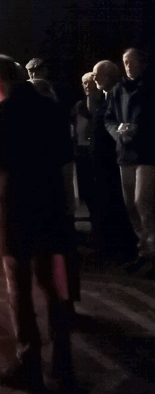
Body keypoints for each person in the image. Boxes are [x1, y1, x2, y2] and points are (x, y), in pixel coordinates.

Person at [0, 54, 75, 391]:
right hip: (50, 205)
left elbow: (1, 162)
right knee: (53, 285)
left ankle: (29, 362)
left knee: (19, 287)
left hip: (18, 208)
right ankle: (63, 361)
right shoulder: (48, 106)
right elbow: (64, 151)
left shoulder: (1, 112)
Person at [105, 48, 155, 275]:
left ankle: (152, 253)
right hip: (125, 153)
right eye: (125, 61)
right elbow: (109, 119)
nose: (128, 66)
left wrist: (139, 129)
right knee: (130, 205)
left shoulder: (150, 87)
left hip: (147, 153)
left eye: (133, 61)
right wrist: (118, 132)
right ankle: (143, 251)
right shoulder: (118, 90)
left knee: (143, 201)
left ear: (142, 63)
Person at [91, 60, 138, 260]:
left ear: (109, 75)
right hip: (108, 159)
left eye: (97, 74)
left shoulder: (120, 93)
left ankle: (130, 248)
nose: (94, 78)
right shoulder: (102, 97)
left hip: (119, 156)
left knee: (128, 204)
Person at [71, 73, 98, 224]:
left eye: (89, 82)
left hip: (97, 153)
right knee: (86, 191)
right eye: (84, 83)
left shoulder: (103, 103)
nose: (87, 86)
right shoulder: (79, 106)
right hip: (81, 153)